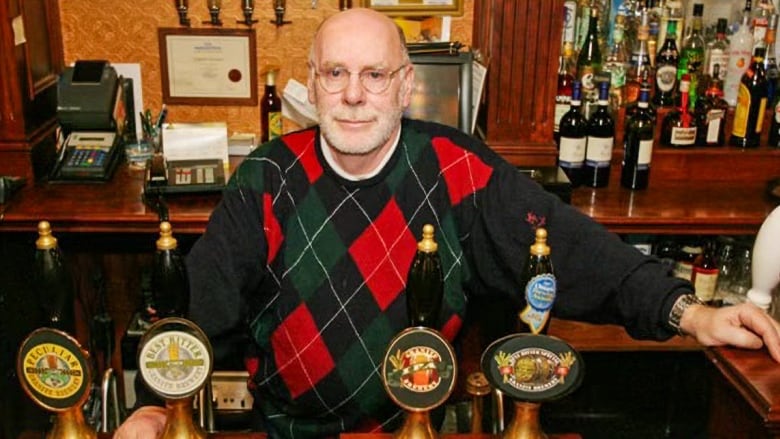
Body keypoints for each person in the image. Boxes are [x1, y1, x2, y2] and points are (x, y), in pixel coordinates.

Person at [116, 7, 780, 439]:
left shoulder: (454, 168)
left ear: (406, 86)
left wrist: (688, 311)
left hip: (418, 428)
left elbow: (571, 248)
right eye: (336, 74)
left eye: (374, 75)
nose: (353, 94)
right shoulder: (266, 174)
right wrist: (151, 401)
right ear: (310, 86)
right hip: (289, 430)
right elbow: (195, 305)